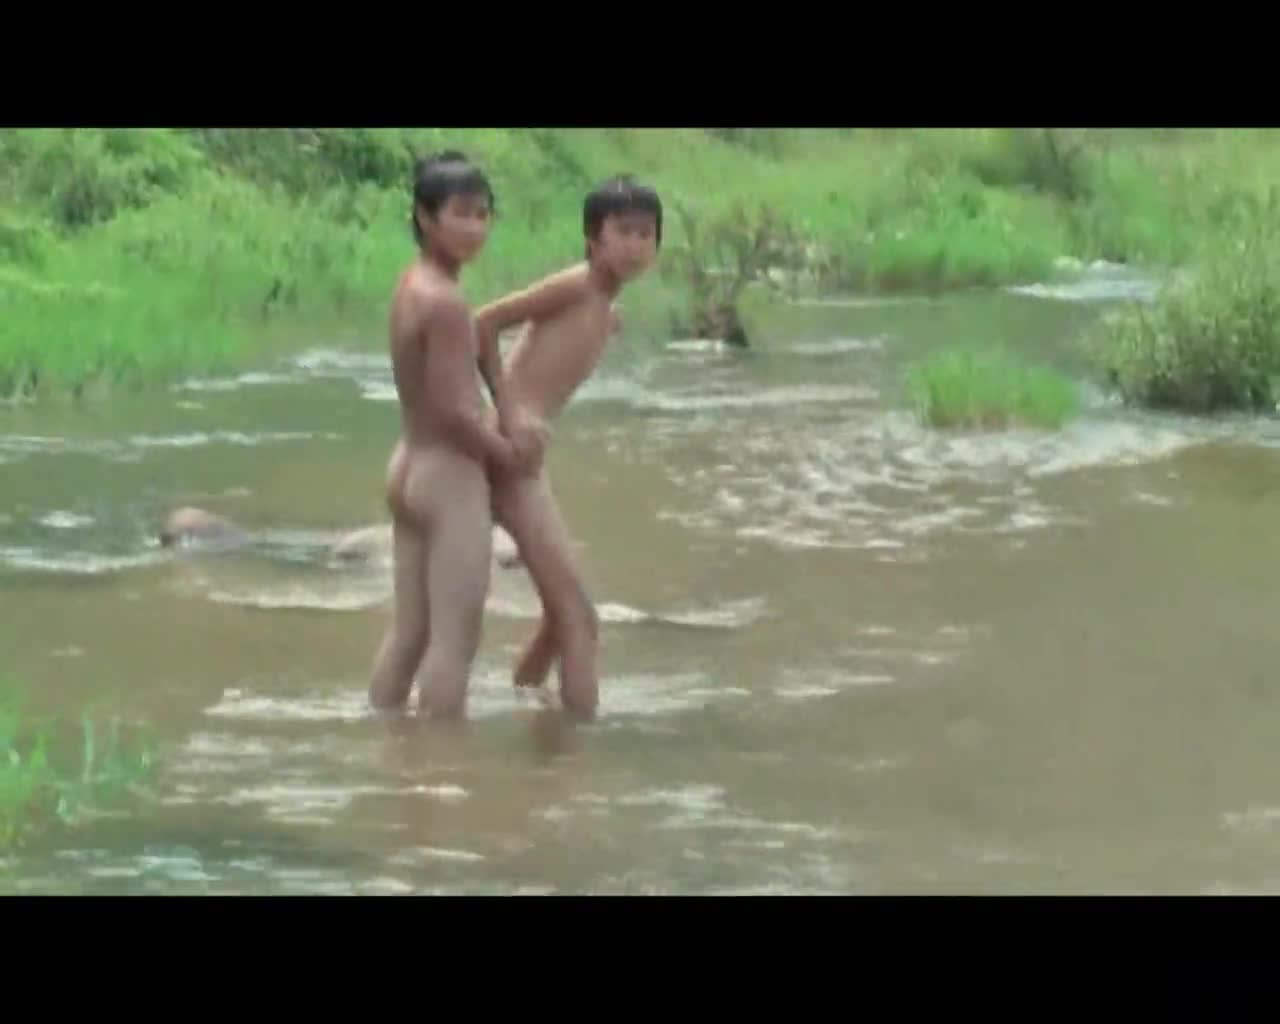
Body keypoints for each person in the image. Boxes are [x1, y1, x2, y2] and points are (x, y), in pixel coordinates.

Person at [473, 174, 663, 720]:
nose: (635, 245)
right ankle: (577, 745)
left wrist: (604, 323)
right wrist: (510, 412)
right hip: (511, 453)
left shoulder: (601, 304)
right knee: (580, 619)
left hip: (524, 457)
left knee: (563, 618)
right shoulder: (577, 285)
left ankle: (527, 700)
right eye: (623, 232)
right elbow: (483, 323)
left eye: (646, 235)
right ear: (593, 238)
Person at [368, 151, 544, 718]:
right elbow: (452, 412)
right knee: (454, 643)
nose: (475, 227)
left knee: (409, 634)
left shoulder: (413, 283)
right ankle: (441, 765)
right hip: (448, 478)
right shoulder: (445, 301)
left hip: (409, 465)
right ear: (425, 216)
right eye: (461, 214)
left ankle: (384, 741)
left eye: (483, 214)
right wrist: (509, 455)